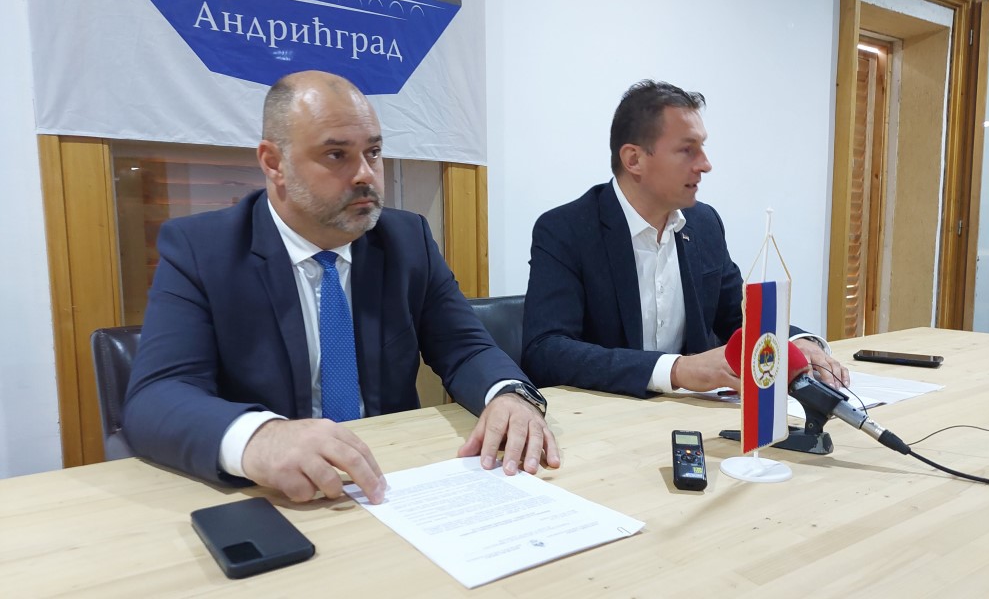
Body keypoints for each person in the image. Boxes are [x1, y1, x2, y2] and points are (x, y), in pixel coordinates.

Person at [124, 70, 559, 505]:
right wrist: (260, 436)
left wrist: (506, 394)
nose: (365, 175)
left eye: (374, 152)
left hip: (394, 480)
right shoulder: (203, 250)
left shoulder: (406, 239)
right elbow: (156, 397)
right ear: (274, 163)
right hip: (273, 497)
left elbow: (465, 347)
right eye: (337, 155)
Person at [521, 80, 848, 399]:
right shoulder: (566, 229)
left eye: (703, 148)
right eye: (687, 150)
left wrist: (797, 342)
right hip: (607, 416)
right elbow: (546, 350)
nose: (705, 165)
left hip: (690, 416)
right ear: (634, 159)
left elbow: (739, 317)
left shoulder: (703, 224)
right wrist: (676, 370)